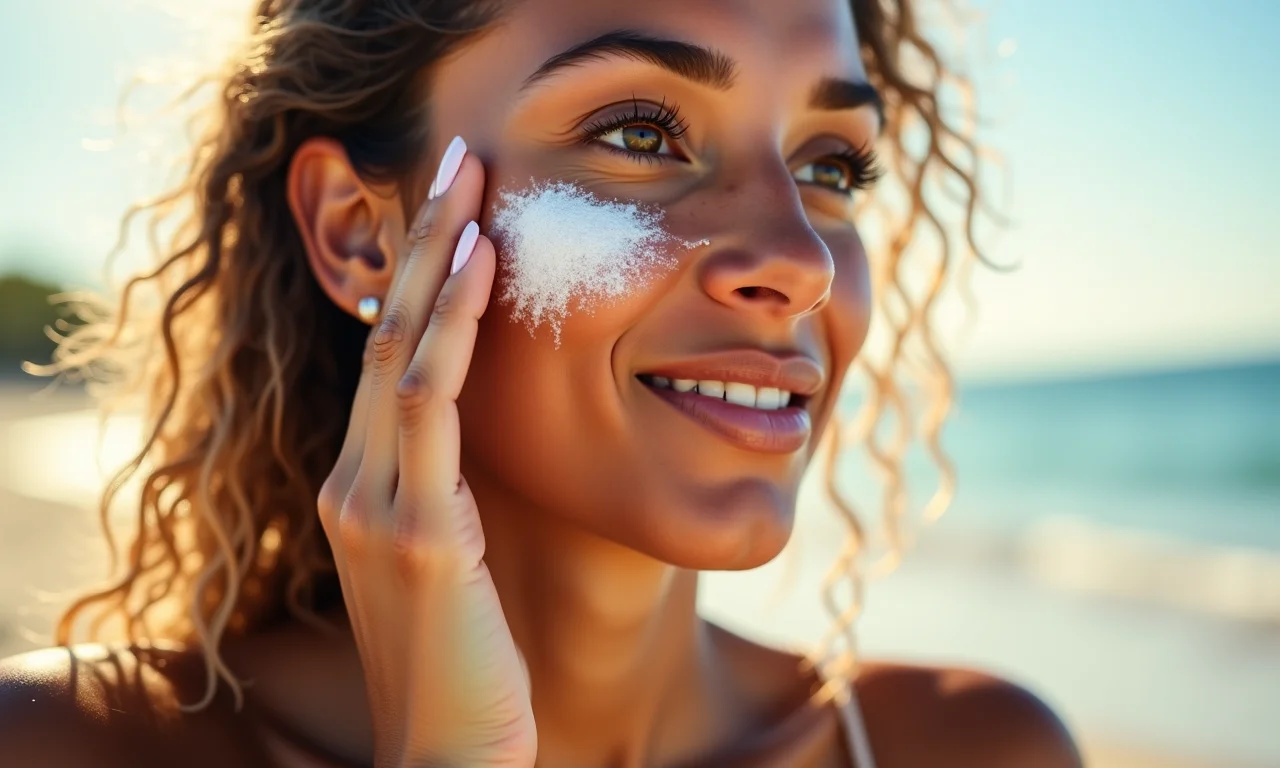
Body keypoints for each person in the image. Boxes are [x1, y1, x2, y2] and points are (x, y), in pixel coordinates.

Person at [0, 0, 1081, 765]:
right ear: (359, 231)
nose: (797, 258)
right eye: (640, 134)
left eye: (828, 166)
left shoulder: (970, 750)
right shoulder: (66, 746)